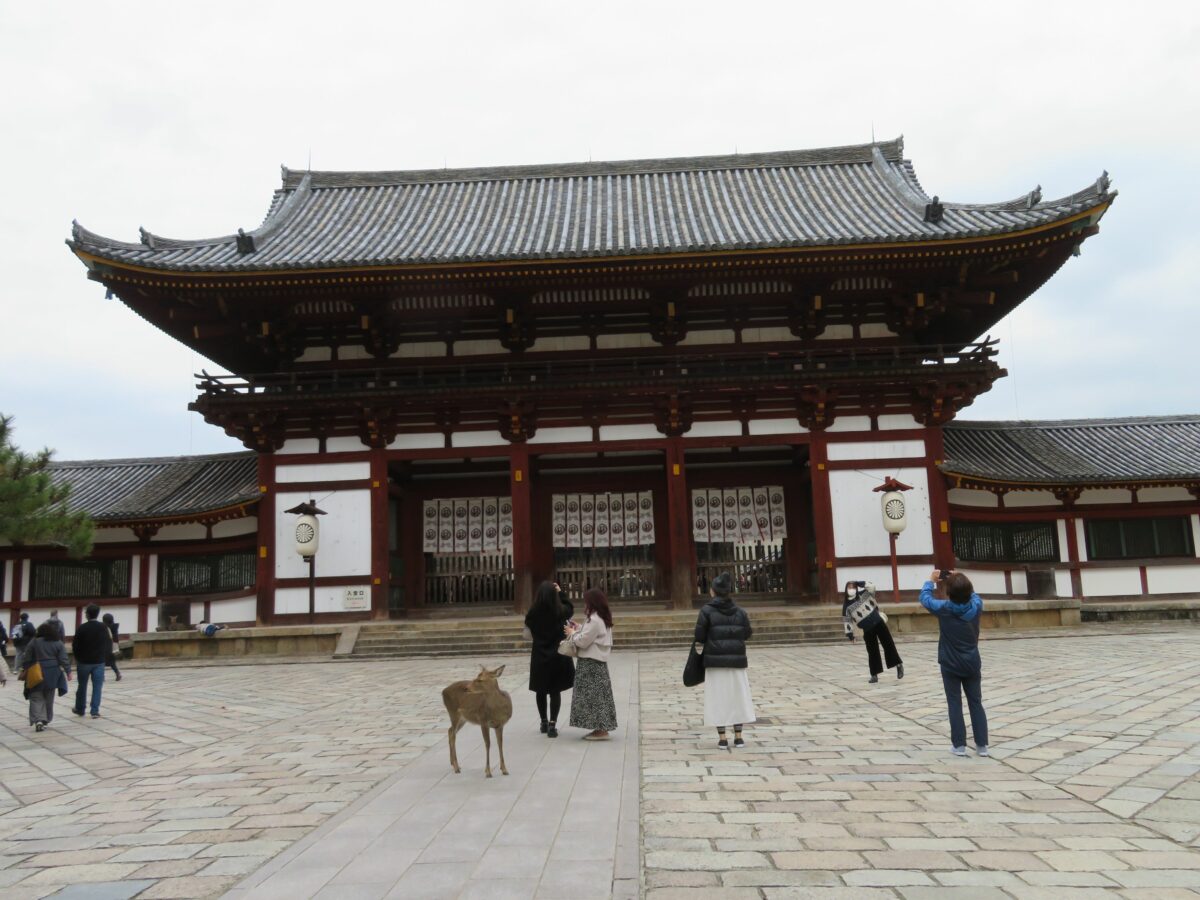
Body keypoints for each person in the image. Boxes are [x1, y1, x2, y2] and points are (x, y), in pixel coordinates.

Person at [920, 570, 989, 758]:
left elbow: (925, 599)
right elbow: (973, 595)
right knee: (976, 703)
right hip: (972, 662)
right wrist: (961, 579)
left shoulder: (944, 608)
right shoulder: (977, 606)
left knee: (954, 703)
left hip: (950, 663)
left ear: (949, 593)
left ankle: (959, 746)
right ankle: (982, 746)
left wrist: (930, 581)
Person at [694, 571, 754, 749]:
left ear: (713, 591)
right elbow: (747, 633)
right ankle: (739, 736)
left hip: (715, 661)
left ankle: (722, 737)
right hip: (736, 660)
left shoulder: (706, 611)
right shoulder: (740, 612)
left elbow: (700, 635)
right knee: (737, 696)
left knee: (718, 698)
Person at [524, 581, 575, 738]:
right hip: (557, 655)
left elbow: (528, 626)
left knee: (540, 690)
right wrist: (561, 593)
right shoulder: (560, 611)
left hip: (539, 655)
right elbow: (570, 608)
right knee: (554, 691)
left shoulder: (533, 613)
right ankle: (553, 724)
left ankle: (543, 721)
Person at [565, 587, 617, 740]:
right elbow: (591, 634)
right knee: (598, 696)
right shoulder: (600, 617)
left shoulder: (594, 619)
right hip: (596, 662)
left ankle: (601, 730)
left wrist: (572, 633)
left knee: (592, 697)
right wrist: (579, 628)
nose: (585, 604)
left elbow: (583, 641)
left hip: (591, 663)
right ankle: (600, 727)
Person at [843, 580, 904, 683]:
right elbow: (847, 621)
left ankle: (898, 665)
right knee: (872, 651)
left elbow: (872, 586)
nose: (851, 589)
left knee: (888, 644)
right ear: (846, 590)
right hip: (867, 629)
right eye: (849, 587)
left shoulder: (864, 594)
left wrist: (859, 583)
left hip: (878, 622)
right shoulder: (846, 606)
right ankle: (874, 675)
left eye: (853, 587)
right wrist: (850, 635)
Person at [18, 620, 71, 732]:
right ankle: (46, 719)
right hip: (53, 672)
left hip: (35, 671)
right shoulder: (58, 643)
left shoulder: (34, 642)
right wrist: (68, 671)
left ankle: (38, 720)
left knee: (36, 697)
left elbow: (26, 657)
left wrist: (24, 669)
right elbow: (63, 659)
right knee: (49, 697)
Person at [72, 604, 111, 719]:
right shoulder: (103, 627)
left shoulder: (82, 628)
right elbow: (108, 643)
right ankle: (95, 710)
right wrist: (104, 657)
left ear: (87, 614)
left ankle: (80, 708)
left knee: (82, 686)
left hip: (84, 661)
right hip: (99, 661)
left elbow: (75, 645)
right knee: (97, 687)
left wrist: (78, 657)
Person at [102, 613, 123, 681]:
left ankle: (102, 676)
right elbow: (116, 638)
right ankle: (117, 673)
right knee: (112, 663)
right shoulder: (114, 628)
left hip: (106, 647)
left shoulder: (106, 628)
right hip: (113, 647)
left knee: (101, 662)